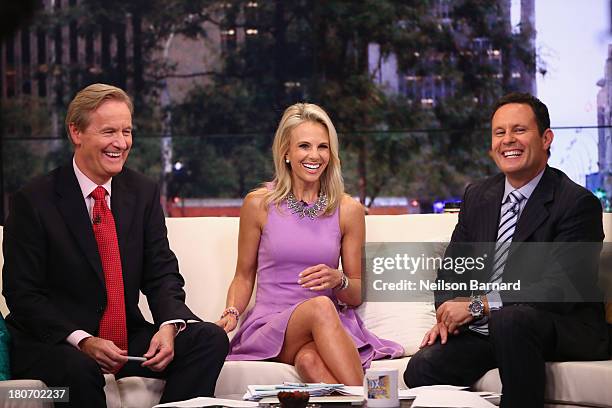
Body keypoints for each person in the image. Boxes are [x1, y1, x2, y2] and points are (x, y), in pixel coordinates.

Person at [2, 83, 229, 407]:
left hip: (123, 337)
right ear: (76, 132)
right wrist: (83, 340)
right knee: (78, 371)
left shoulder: (142, 192)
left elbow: (161, 271)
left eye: (127, 131)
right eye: (109, 131)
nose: (121, 143)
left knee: (208, 339)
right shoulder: (34, 201)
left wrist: (169, 325)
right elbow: (22, 294)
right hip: (55, 342)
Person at [404, 92, 609, 407]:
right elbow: (453, 270)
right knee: (422, 367)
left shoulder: (577, 203)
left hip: (559, 325)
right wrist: (448, 314)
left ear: (546, 138)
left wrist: (476, 306)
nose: (508, 140)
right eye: (499, 132)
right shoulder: (478, 196)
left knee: (511, 320)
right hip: (492, 328)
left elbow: (560, 288)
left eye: (519, 130)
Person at [216, 103, 403, 385]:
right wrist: (231, 312)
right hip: (272, 324)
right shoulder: (258, 204)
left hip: (325, 327)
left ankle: (359, 404)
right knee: (320, 307)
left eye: (323, 147)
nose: (314, 155)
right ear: (286, 152)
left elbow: (355, 293)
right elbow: (244, 275)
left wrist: (338, 279)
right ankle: (373, 402)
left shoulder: (348, 210)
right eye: (304, 146)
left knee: (310, 361)